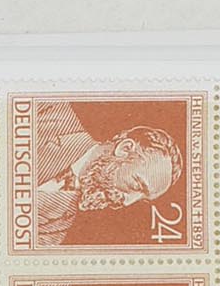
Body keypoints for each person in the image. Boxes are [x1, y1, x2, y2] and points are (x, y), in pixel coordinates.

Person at [32, 103, 184, 247]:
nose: (127, 203)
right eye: (137, 185)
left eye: (142, 199)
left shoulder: (58, 227)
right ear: (125, 149)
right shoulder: (48, 109)